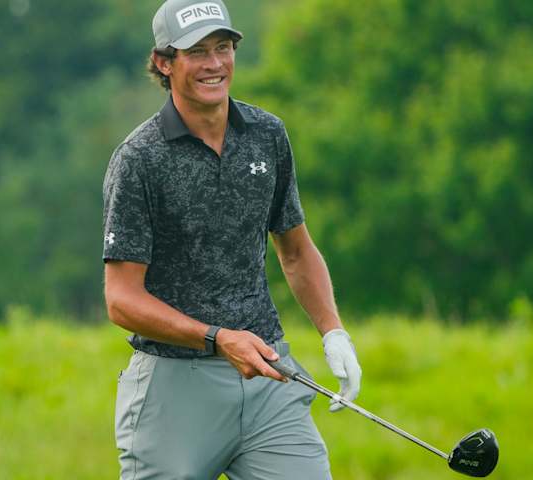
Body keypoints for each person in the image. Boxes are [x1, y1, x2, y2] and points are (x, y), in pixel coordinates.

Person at [102, 0, 362, 478]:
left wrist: (333, 331)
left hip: (268, 377)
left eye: (223, 47)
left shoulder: (267, 135)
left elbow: (297, 250)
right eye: (197, 52)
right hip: (173, 390)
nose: (215, 64)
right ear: (164, 62)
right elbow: (121, 299)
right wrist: (218, 339)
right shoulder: (139, 159)